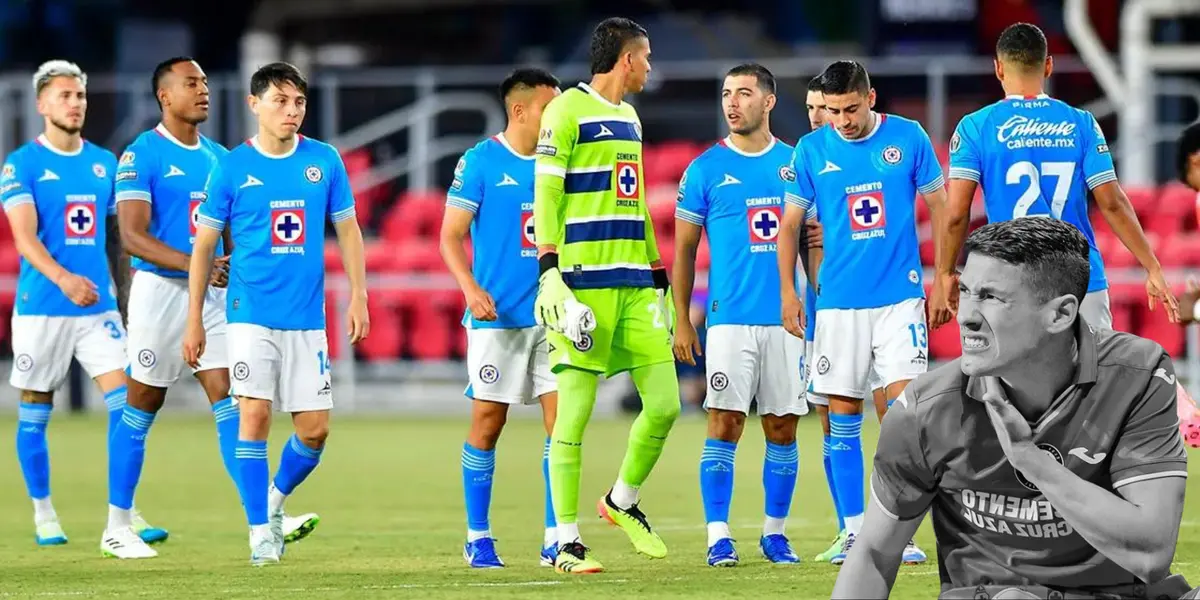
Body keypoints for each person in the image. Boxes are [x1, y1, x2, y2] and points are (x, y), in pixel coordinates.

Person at [833, 217, 1196, 600]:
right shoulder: (924, 409)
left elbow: (1151, 553)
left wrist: (1030, 459)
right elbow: (874, 554)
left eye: (991, 297)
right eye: (967, 291)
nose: (967, 315)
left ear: (1060, 314)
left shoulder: (1137, 374)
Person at [110, 56, 320, 559]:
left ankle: (262, 515)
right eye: (191, 84)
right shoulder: (142, 155)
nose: (203, 91)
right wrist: (194, 265)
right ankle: (117, 524)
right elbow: (132, 237)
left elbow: (231, 237)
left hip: (211, 296)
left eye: (205, 82)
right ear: (165, 95)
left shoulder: (218, 158)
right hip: (160, 293)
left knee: (232, 396)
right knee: (142, 403)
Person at [183, 62, 369, 566]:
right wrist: (196, 317)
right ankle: (259, 532)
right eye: (281, 101)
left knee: (314, 431)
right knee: (255, 412)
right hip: (249, 312)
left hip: (307, 318)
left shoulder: (324, 161)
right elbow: (203, 247)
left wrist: (358, 295)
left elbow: (348, 230)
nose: (291, 111)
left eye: (299, 102)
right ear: (254, 104)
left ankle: (270, 504)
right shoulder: (231, 168)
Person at [778, 60, 943, 565]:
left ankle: (900, 532)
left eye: (851, 109)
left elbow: (943, 208)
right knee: (842, 414)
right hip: (838, 305)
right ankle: (853, 531)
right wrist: (789, 291)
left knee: (903, 419)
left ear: (870, 99)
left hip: (900, 298)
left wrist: (947, 277)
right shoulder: (811, 149)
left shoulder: (909, 138)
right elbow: (789, 226)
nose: (843, 120)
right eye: (833, 111)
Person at [533, 16, 680, 574]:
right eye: (645, 57)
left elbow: (634, 200)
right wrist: (550, 269)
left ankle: (622, 500)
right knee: (573, 415)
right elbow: (545, 192)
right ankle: (564, 542)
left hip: (635, 284)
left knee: (665, 403)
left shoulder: (630, 117)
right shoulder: (565, 110)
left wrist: (659, 274)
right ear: (626, 58)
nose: (649, 67)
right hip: (582, 285)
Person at [0, 59, 165, 551]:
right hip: (42, 308)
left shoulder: (105, 164)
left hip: (99, 311)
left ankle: (125, 510)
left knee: (128, 404)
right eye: (65, 96)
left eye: (81, 96)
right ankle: (44, 512)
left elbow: (117, 239)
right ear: (42, 105)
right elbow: (25, 239)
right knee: (36, 408)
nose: (76, 103)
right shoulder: (21, 164)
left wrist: (126, 297)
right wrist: (64, 278)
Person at [935, 22, 1179, 330]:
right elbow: (1113, 203)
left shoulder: (975, 127)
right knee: (1091, 376)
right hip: (1078, 277)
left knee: (1013, 376)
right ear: (1048, 65)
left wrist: (945, 274)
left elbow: (957, 213)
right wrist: (1152, 267)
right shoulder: (1082, 123)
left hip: (1012, 279)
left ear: (998, 68)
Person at [671, 63, 805, 567]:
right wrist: (683, 319)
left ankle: (775, 534)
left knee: (783, 427)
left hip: (788, 321)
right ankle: (718, 534)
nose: (733, 102)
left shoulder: (797, 164)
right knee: (724, 422)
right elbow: (684, 251)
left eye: (744, 93)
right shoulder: (704, 169)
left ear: (768, 101)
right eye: (727, 94)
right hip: (728, 320)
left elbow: (815, 247)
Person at [439, 67, 562, 569]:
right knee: (489, 423)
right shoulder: (481, 161)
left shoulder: (563, 163)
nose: (557, 119)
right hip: (499, 319)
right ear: (519, 110)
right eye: (548, 109)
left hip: (553, 318)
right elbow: (449, 236)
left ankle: (559, 535)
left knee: (563, 425)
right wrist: (470, 288)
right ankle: (478, 535)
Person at [800, 72, 890, 564]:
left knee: (887, 412)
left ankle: (886, 522)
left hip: (870, 301)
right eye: (816, 109)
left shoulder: (843, 158)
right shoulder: (809, 163)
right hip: (825, 313)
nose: (824, 117)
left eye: (830, 108)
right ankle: (846, 525)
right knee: (833, 422)